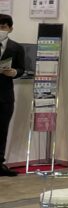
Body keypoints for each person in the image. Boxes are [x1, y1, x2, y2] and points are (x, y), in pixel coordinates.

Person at [0, 14, 26, 177]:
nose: (0, 29)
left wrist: (14, 72)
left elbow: (22, 69)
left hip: (5, 96)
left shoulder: (16, 48)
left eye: (3, 27)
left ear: (10, 29)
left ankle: (0, 163)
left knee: (2, 130)